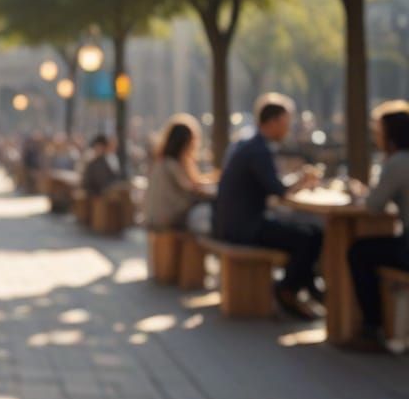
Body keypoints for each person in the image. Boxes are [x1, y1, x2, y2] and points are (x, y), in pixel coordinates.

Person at [212, 93, 323, 319]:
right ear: (272, 122)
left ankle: (306, 289)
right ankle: (288, 290)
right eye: (286, 123)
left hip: (233, 223)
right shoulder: (258, 150)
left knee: (310, 232)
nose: (288, 129)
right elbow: (279, 191)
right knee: (309, 237)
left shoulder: (250, 143)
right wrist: (302, 180)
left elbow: (274, 188)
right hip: (243, 227)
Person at [343, 101, 409, 352]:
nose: (376, 137)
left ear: (390, 134)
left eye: (378, 132)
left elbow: (372, 206)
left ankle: (372, 329)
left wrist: (361, 193)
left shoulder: (397, 162)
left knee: (359, 252)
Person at [144, 114, 214, 232]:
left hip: (156, 218)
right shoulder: (172, 164)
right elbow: (193, 190)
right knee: (207, 216)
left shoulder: (162, 162)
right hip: (168, 220)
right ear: (185, 143)